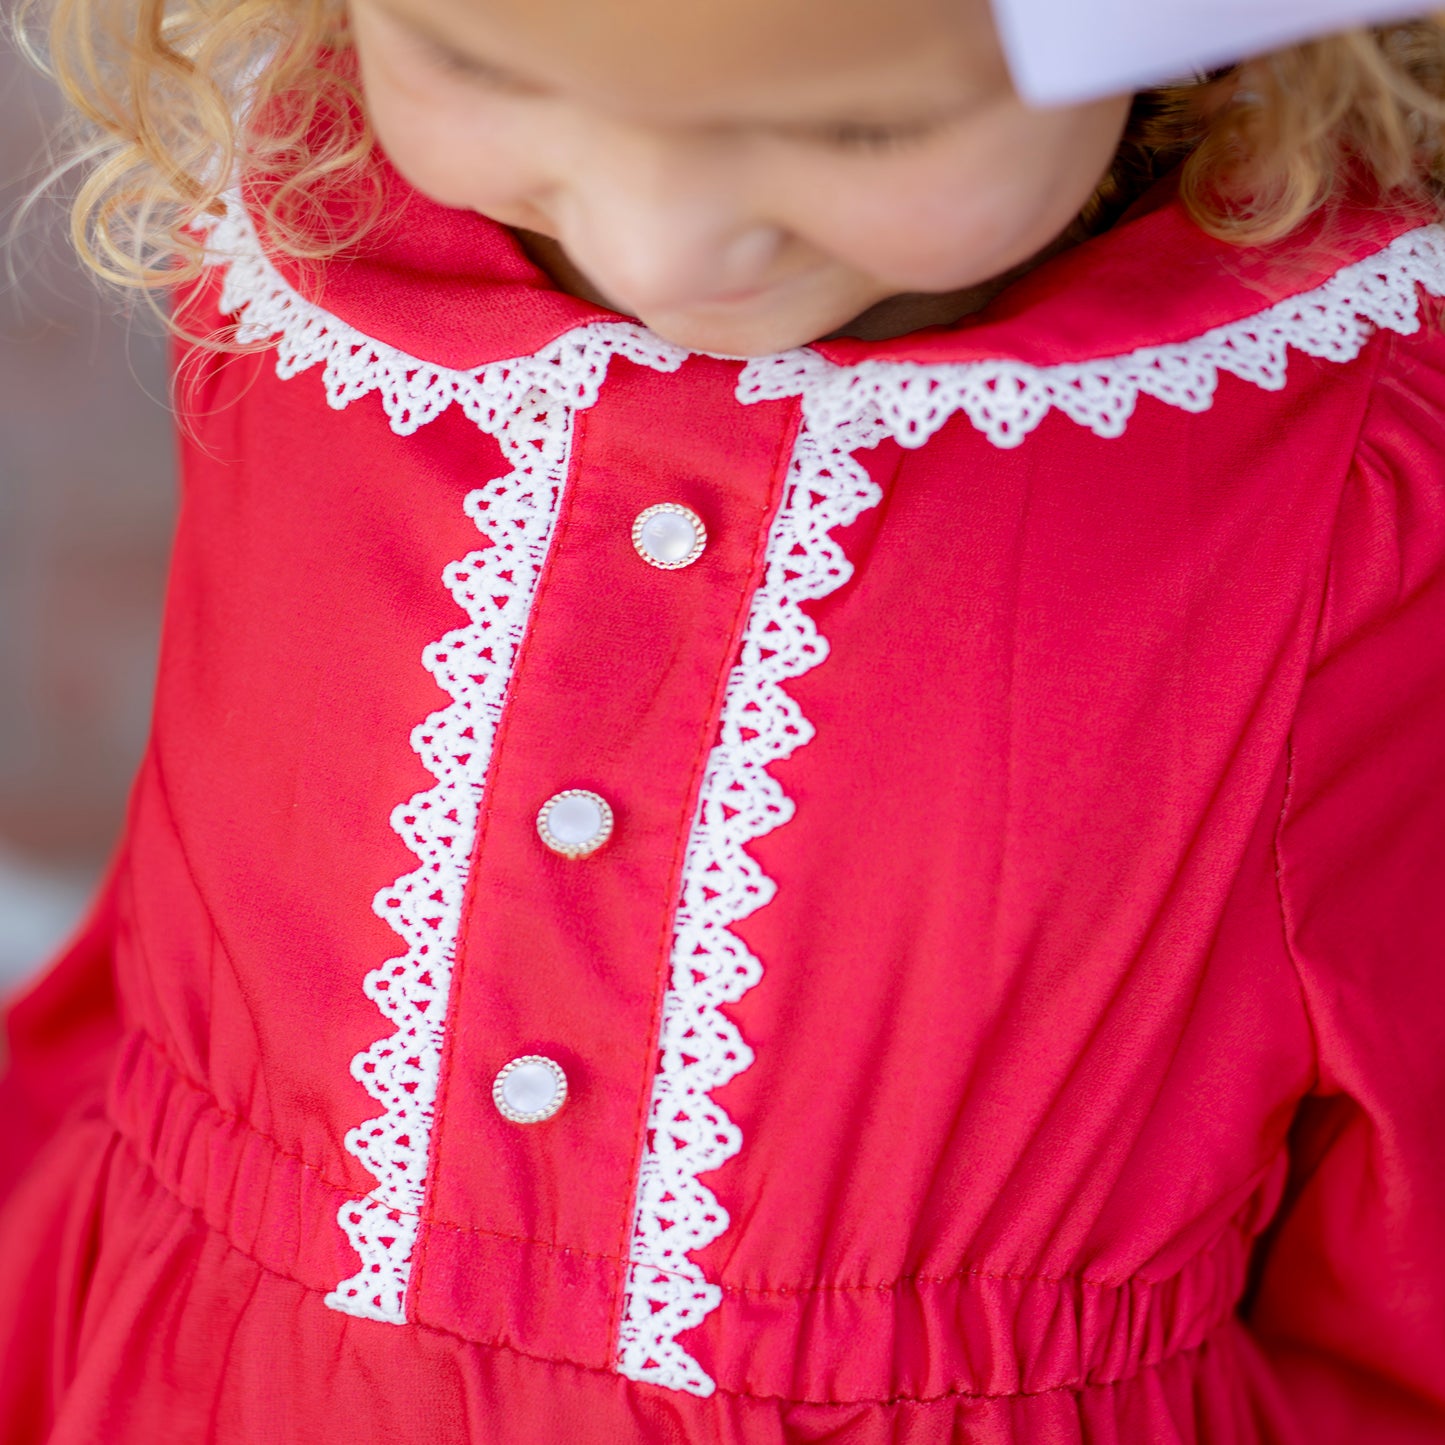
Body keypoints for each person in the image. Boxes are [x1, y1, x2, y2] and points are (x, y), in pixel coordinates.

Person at [1, 0, 1443, 1437]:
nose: (660, 249)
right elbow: (159, 971)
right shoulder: (310, 264)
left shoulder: (1346, 471)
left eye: (854, 125)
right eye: (480, 62)